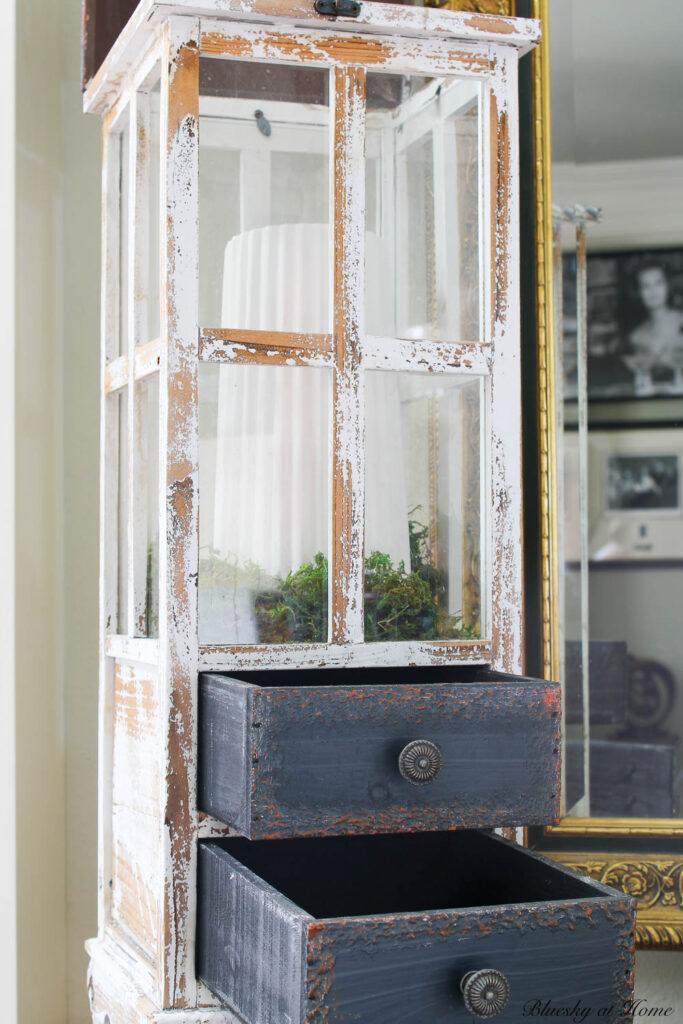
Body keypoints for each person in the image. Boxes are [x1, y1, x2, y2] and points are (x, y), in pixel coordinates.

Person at [627, 262, 683, 385]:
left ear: (668, 286)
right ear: (638, 292)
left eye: (659, 283)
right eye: (645, 286)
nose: (653, 291)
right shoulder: (637, 335)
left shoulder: (681, 322)